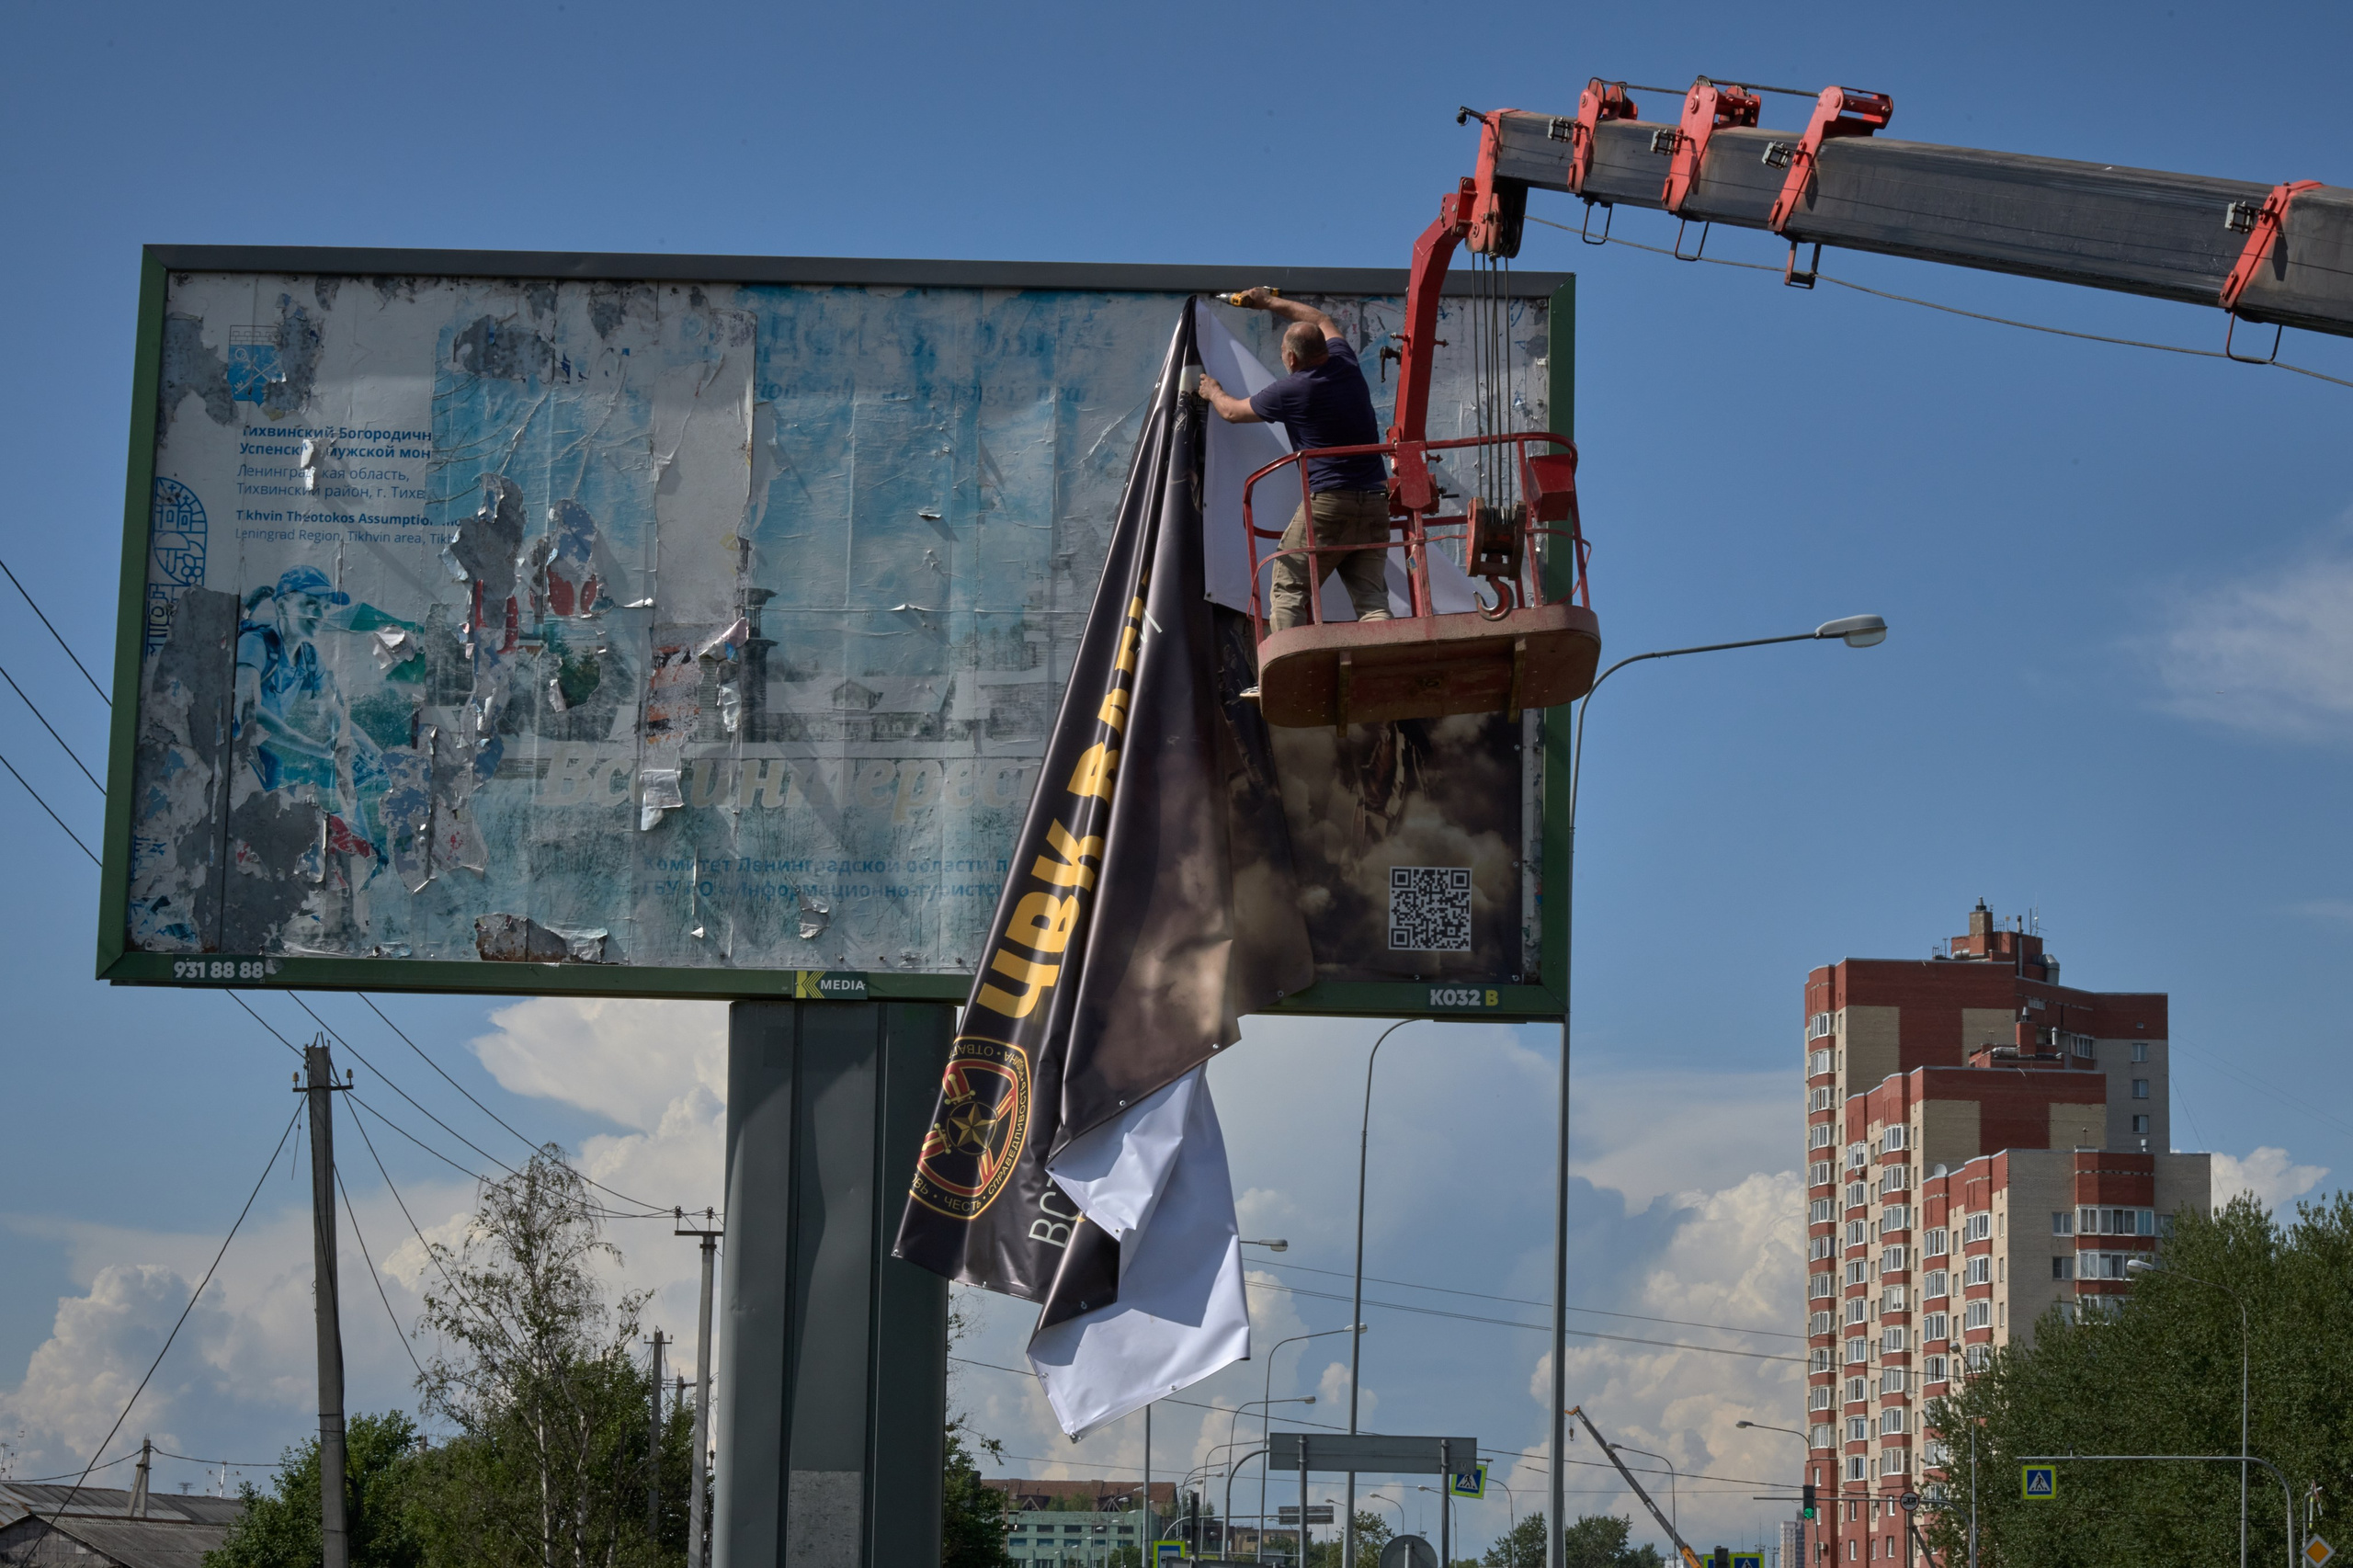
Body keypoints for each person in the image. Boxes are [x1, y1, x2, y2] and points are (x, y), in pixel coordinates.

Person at [1198, 289, 1393, 631]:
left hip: (1330, 502)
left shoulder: (1292, 389)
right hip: (1376, 500)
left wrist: (1212, 390)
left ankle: (1288, 679)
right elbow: (1321, 319)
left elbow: (1230, 411)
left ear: (1290, 359)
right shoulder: (1345, 363)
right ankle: (1385, 671)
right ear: (1323, 349)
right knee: (1372, 599)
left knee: (1288, 587)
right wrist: (1269, 301)